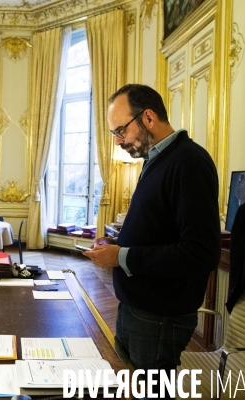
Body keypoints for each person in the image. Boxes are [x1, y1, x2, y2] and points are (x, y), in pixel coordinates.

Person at [83, 84, 221, 398]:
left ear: (147, 117)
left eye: (120, 130)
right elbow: (158, 228)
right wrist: (115, 245)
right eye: (114, 133)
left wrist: (122, 257)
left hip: (160, 316)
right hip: (138, 308)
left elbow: (201, 252)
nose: (118, 141)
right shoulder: (155, 159)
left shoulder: (189, 162)